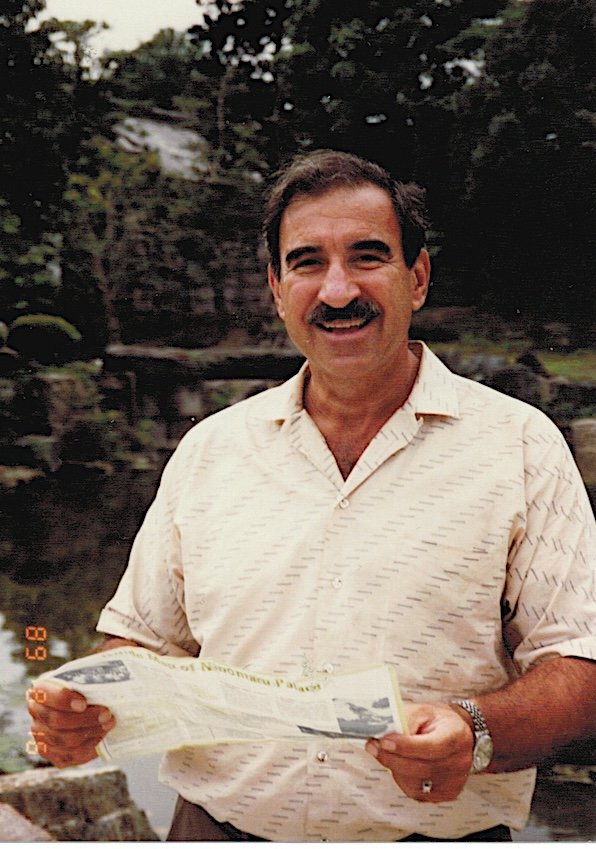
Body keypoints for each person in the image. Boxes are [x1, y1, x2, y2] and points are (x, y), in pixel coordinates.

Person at [28, 149, 595, 842]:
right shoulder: (211, 451)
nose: (337, 290)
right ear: (276, 288)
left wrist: (475, 728)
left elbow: (579, 662)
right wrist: (86, 705)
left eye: (366, 257)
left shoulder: (521, 446)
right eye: (306, 262)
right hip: (213, 828)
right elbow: (143, 640)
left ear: (417, 277)